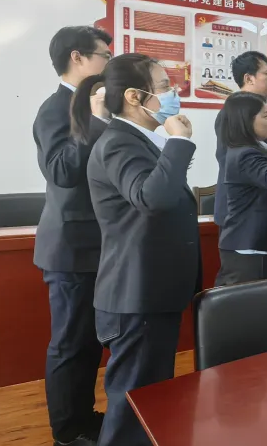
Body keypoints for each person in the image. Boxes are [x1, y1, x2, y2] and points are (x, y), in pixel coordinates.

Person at [71, 53, 199, 446]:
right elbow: (152, 198)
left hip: (151, 292)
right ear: (134, 96)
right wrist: (179, 142)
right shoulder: (117, 143)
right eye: (164, 87)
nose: (173, 93)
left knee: (149, 401)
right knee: (132, 407)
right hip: (135, 295)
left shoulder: (141, 140)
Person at [33, 26, 112, 446]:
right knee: (69, 344)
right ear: (78, 57)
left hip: (100, 246)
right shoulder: (55, 108)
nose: (108, 64)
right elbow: (62, 170)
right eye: (104, 56)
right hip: (71, 248)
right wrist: (95, 121)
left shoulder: (94, 104)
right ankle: (66, 432)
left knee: (89, 344)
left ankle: (84, 417)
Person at [215, 92, 267, 286]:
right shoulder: (245, 154)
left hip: (256, 244)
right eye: (265, 116)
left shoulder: (253, 150)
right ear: (247, 120)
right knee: (247, 302)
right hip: (249, 246)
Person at [213, 51, 267, 225]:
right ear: (249, 78)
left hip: (257, 209)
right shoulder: (233, 114)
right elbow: (232, 162)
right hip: (241, 213)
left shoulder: (256, 110)